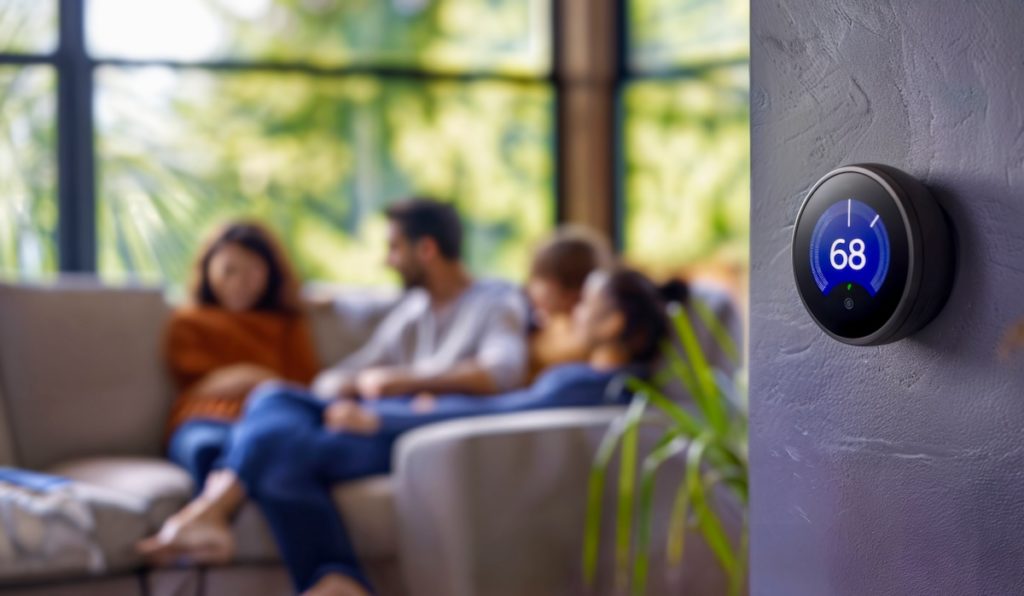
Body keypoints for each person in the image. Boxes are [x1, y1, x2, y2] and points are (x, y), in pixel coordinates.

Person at [155, 267, 683, 596]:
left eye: (589, 302)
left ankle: (222, 511)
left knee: (276, 420)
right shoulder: (611, 387)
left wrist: (387, 417)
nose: (575, 310)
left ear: (614, 324)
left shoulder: (592, 384)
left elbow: (498, 419)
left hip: (415, 440)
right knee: (278, 406)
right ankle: (333, 579)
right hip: (424, 426)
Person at [139, 197, 529, 567]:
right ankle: (335, 582)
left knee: (278, 447)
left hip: (419, 431)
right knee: (277, 401)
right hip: (368, 423)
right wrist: (345, 388)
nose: (386, 260)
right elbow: (332, 380)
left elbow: (500, 373)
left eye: (394, 248)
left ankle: (212, 513)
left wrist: (399, 382)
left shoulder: (497, 301)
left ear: (426, 249)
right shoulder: (414, 311)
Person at [162, 221, 319, 490]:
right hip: (205, 420)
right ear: (208, 269)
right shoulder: (189, 322)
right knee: (208, 448)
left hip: (271, 422)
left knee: (280, 452)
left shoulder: (287, 324)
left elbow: (303, 388)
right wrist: (260, 378)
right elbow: (197, 387)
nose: (240, 282)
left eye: (253, 270)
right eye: (229, 270)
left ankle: (212, 518)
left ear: (271, 273)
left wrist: (252, 382)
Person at [525, 225, 614, 379]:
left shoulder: (581, 340)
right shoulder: (546, 325)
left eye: (538, 279)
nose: (530, 288)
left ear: (569, 293)